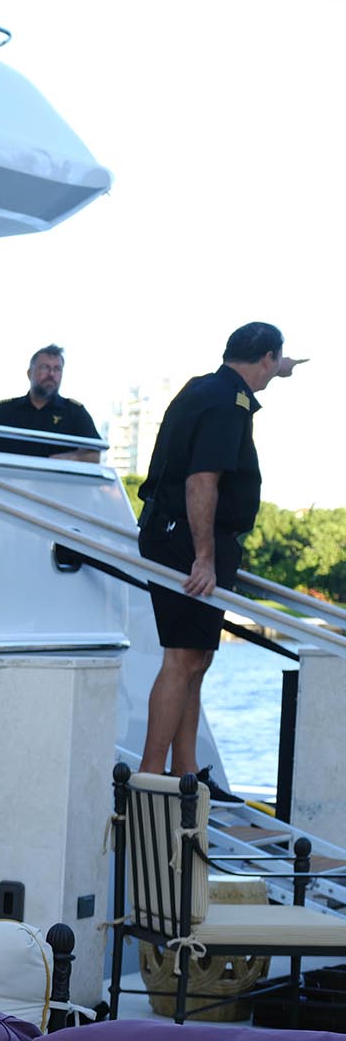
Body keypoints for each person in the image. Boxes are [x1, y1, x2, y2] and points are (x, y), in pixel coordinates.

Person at [136, 322, 302, 775]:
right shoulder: (229, 406)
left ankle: (186, 772)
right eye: (274, 362)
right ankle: (152, 777)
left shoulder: (207, 387)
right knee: (181, 658)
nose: (274, 371)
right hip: (185, 538)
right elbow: (201, 480)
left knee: (198, 659)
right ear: (265, 357)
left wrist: (283, 367)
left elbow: (197, 476)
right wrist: (204, 558)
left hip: (177, 533)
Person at [0, 345, 102, 461]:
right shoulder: (3, 411)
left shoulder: (75, 412)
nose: (51, 374)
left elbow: (95, 455)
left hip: (57, 481)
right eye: (45, 367)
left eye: (57, 369)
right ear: (29, 373)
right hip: (3, 481)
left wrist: (69, 458)